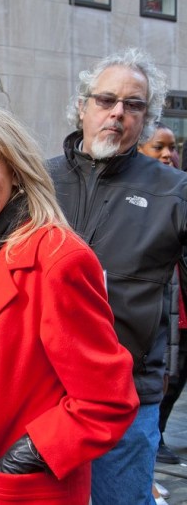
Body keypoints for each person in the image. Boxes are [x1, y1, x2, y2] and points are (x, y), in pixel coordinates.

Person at [0, 102, 139, 504]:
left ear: (15, 170)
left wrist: (24, 458)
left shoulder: (57, 259)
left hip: (22, 490)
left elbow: (108, 401)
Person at [46, 47, 187, 504]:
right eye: (106, 100)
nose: (117, 113)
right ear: (82, 106)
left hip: (127, 397)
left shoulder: (174, 191)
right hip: (43, 387)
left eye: (134, 104)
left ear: (146, 118)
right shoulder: (37, 181)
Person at [138, 123, 183, 503]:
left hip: (169, 335)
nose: (169, 154)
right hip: (149, 348)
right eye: (159, 147)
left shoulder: (178, 195)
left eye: (174, 147)